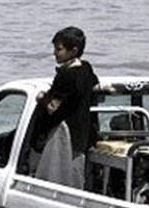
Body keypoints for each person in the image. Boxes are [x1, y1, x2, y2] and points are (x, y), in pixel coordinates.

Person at [30, 26, 99, 187]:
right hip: (81, 134)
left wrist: (41, 98)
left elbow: (53, 108)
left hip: (63, 136)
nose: (54, 53)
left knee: (57, 178)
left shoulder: (66, 76)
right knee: (75, 177)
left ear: (73, 51)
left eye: (58, 49)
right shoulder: (86, 69)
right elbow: (94, 87)